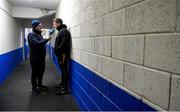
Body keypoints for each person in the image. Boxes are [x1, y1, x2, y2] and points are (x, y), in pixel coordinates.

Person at [28, 20, 51, 94]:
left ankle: (40, 85)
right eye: (39, 25)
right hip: (35, 58)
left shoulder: (39, 34)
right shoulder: (31, 35)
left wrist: (44, 42)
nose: (41, 27)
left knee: (41, 72)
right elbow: (37, 44)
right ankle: (34, 88)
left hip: (41, 58)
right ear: (35, 26)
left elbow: (41, 44)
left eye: (41, 25)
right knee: (35, 73)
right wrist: (46, 40)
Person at [54, 18, 71, 95]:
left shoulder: (64, 31)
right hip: (60, 54)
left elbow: (64, 43)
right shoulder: (60, 31)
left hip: (63, 54)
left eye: (55, 23)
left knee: (64, 70)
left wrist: (58, 50)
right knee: (62, 70)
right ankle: (62, 84)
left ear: (58, 23)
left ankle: (65, 88)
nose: (54, 25)